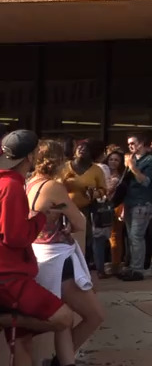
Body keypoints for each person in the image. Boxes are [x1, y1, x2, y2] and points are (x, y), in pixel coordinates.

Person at [0, 131, 77, 365]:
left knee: (22, 342)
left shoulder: (7, 182)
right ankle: (4, 319)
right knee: (64, 318)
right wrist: (40, 218)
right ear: (30, 156)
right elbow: (14, 237)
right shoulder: (11, 185)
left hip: (9, 273)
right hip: (10, 276)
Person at [27, 140, 103, 366]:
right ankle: (58, 361)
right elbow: (80, 223)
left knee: (63, 320)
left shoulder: (29, 184)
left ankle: (62, 361)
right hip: (58, 258)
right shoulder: (53, 187)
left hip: (37, 253)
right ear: (58, 160)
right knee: (94, 316)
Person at [119, 134, 152, 282]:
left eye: (133, 143)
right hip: (129, 201)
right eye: (128, 144)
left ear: (141, 143)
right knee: (131, 237)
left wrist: (132, 167)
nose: (130, 146)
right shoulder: (131, 159)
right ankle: (132, 267)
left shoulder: (150, 160)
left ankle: (137, 269)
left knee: (137, 236)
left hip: (142, 202)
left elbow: (146, 181)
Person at [59, 140, 106, 272]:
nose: (81, 150)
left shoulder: (97, 170)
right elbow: (54, 184)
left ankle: (83, 266)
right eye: (79, 147)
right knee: (64, 236)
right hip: (63, 209)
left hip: (84, 209)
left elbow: (103, 189)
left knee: (85, 238)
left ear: (92, 153)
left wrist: (94, 193)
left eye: (86, 149)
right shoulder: (64, 167)